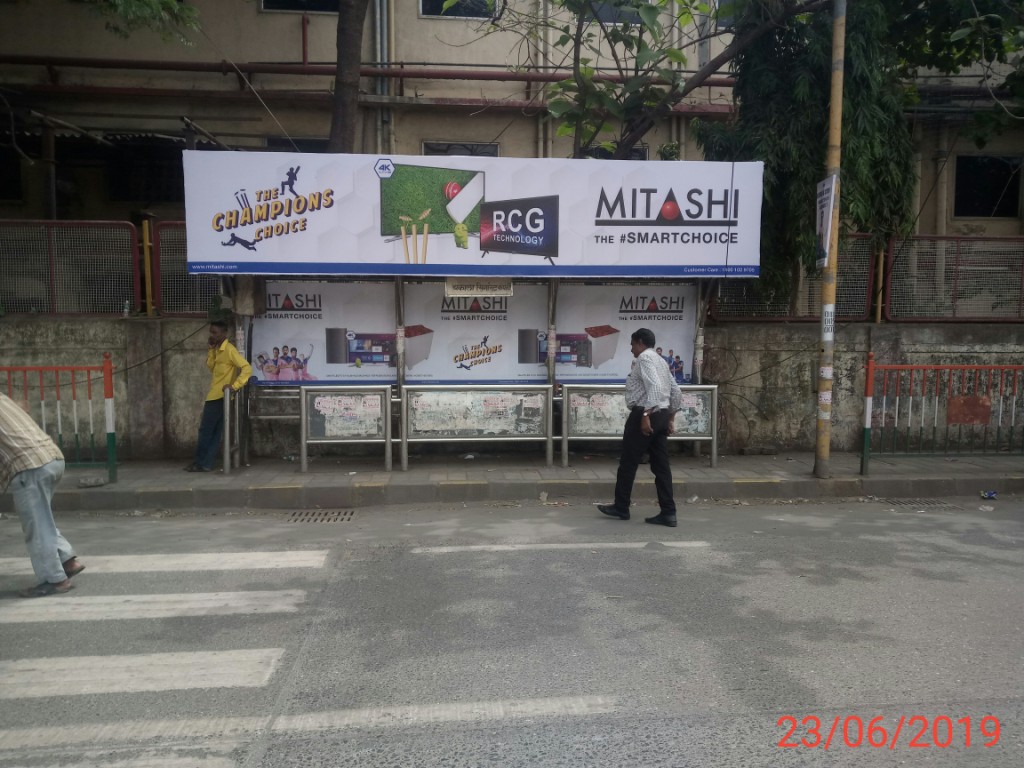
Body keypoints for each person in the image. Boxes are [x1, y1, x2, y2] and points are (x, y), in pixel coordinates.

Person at [0, 392, 85, 597]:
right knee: (42, 520)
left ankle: (54, 580)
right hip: (51, 458)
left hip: (30, 467)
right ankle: (67, 561)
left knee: (36, 527)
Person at [598, 328, 682, 527]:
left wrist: (645, 415)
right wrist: (670, 418)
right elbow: (676, 391)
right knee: (662, 467)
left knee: (628, 462)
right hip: (661, 415)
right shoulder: (661, 360)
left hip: (645, 415)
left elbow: (654, 386)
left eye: (632, 344)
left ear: (640, 343)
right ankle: (668, 512)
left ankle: (621, 506)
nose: (631, 349)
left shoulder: (644, 359)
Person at [185, 321, 252, 472]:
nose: (212, 335)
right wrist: (211, 350)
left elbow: (247, 368)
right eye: (211, 332)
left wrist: (234, 386)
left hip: (219, 396)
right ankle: (207, 463)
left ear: (224, 333)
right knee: (215, 432)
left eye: (215, 333)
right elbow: (211, 367)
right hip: (216, 394)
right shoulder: (217, 350)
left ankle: (200, 462)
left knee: (206, 430)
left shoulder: (229, 350)